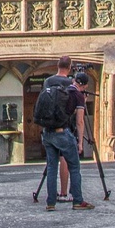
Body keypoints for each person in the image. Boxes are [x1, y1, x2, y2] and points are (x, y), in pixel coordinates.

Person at [41, 71, 94, 211]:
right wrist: (81, 143)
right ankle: (77, 200)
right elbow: (80, 121)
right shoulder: (77, 95)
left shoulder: (61, 91)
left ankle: (50, 203)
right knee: (75, 167)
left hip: (47, 133)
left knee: (52, 168)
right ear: (84, 85)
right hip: (63, 133)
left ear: (74, 81)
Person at [43, 55, 74, 202]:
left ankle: (51, 198)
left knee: (51, 164)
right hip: (64, 125)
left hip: (49, 125)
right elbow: (73, 105)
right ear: (69, 68)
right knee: (65, 159)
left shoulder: (48, 81)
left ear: (57, 65)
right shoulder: (70, 83)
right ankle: (63, 193)